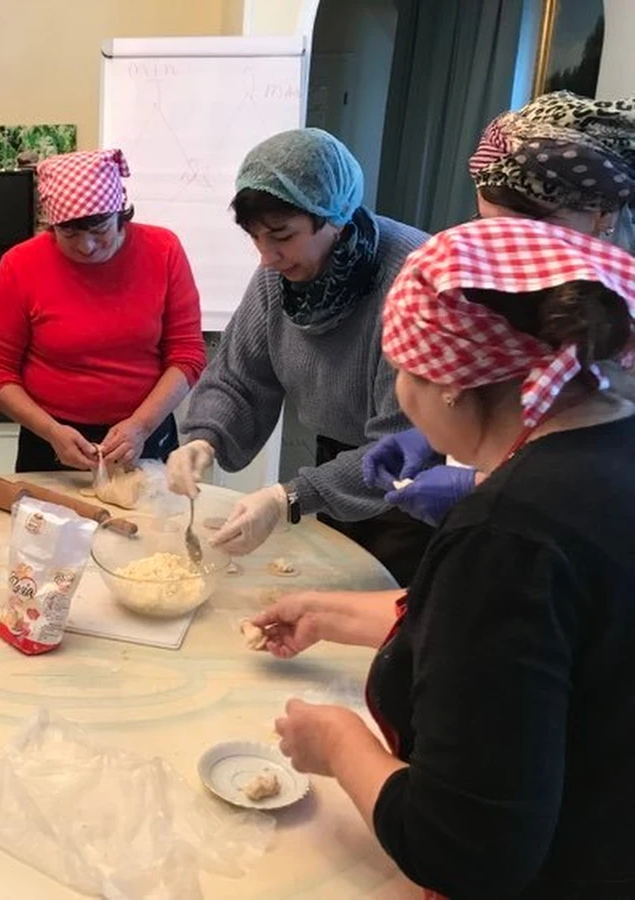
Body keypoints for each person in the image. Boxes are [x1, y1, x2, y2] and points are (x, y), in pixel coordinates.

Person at [255, 218, 635, 898]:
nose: (400, 397)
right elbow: (548, 650)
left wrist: (341, 744)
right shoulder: (615, 438)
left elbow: (463, 848)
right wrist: (332, 611)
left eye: (401, 370)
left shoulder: (507, 535)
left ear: (449, 384)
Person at [167, 128, 429, 585]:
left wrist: (289, 497)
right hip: (337, 467)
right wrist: (203, 438)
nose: (267, 257)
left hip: (412, 492)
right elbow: (239, 377)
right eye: (255, 238)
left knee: (381, 614)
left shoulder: (414, 279)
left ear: (335, 217)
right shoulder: (279, 275)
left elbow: (403, 444)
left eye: (281, 236)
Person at [364, 91, 635, 526]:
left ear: (603, 212)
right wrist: (443, 433)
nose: (501, 250)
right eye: (488, 226)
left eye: (526, 228)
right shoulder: (495, 270)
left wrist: (484, 486)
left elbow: (606, 481)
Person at [0, 148, 207, 472]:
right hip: (50, 438)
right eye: (69, 234)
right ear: (51, 224)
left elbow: (187, 354)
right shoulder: (20, 265)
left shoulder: (163, 250)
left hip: (146, 431)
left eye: (100, 230)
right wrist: (51, 432)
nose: (86, 246)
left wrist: (140, 425)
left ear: (120, 213)